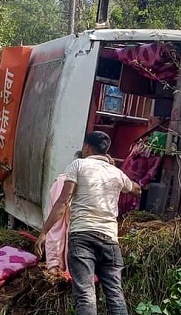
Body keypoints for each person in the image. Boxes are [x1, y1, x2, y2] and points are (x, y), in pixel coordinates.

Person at [34, 131, 141, 315]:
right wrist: (116, 173)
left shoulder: (78, 165)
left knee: (85, 295)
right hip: (109, 240)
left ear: (86, 147)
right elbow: (137, 190)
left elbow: (63, 202)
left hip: (82, 237)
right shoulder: (116, 173)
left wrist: (43, 233)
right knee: (115, 295)